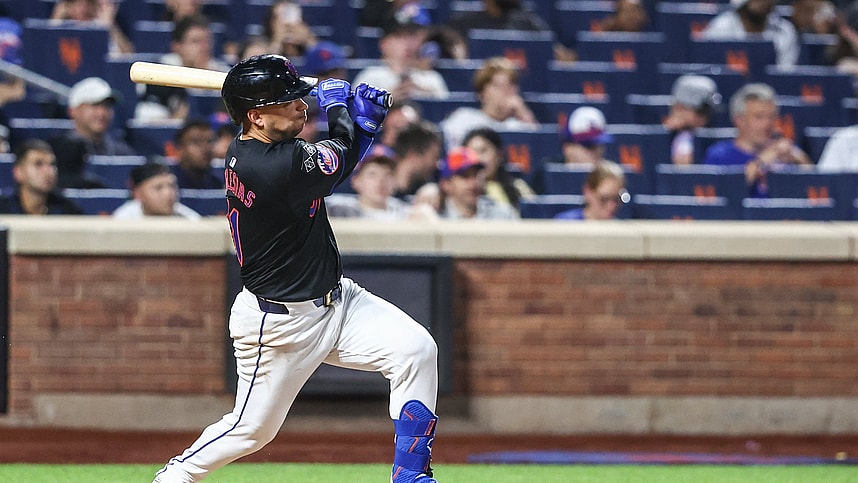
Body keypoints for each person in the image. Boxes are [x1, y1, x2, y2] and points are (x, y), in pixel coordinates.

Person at [152, 54, 440, 483]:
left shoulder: (272, 151)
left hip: (336, 302)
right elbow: (336, 159)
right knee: (251, 430)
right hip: (279, 324)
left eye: (299, 97)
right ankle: (174, 477)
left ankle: (411, 476)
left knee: (416, 351)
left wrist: (361, 125)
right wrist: (344, 112)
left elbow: (334, 166)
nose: (300, 105)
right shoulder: (263, 164)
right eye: (286, 102)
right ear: (256, 117)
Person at [702, 83, 811, 197]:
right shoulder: (719, 155)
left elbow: (816, 188)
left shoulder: (785, 152)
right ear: (739, 120)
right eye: (759, 117)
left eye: (772, 116)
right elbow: (719, 197)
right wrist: (760, 163)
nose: (767, 124)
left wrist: (799, 158)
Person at [135, 14, 231, 123]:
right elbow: (147, 124)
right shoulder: (160, 75)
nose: (204, 47)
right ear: (177, 46)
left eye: (207, 41)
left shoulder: (223, 75)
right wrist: (176, 120)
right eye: (196, 41)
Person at [50, 77, 136, 189]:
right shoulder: (55, 152)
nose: (102, 113)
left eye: (107, 106)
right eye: (94, 105)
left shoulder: (124, 153)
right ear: (73, 110)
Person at [440, 56, 538, 151]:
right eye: (499, 85)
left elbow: (539, 148)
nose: (506, 91)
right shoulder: (463, 118)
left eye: (511, 85)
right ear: (481, 93)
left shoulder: (518, 126)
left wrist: (524, 113)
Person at [352, 15, 450, 101]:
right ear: (383, 44)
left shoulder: (431, 78)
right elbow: (355, 113)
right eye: (399, 36)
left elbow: (447, 114)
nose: (407, 43)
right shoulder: (370, 77)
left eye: (412, 36)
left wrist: (425, 97)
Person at [327, 144, 437, 220]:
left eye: (387, 174)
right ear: (357, 181)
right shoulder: (337, 209)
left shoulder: (405, 213)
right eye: (372, 174)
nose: (380, 181)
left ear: (395, 181)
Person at [700, 0, 800, 68]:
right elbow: (709, 66)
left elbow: (785, 72)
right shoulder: (720, 28)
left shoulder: (784, 30)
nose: (764, 2)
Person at [0, 139, 83, 215]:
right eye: (38, 164)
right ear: (18, 172)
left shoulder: (68, 211)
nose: (49, 171)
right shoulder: (3, 208)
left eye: (52, 164)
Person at [462, 127, 534, 211]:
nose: (479, 159)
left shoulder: (518, 187)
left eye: (483, 151)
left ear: (499, 154)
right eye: (472, 153)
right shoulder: (461, 191)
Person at [437, 146, 518, 220]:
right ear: (446, 184)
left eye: (476, 175)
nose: (473, 183)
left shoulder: (503, 215)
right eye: (465, 176)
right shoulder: (435, 217)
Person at [662, 75, 722, 165]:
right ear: (678, 107)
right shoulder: (665, 135)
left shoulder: (714, 139)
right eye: (700, 111)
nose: (704, 117)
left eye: (708, 112)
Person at [112, 160, 201, 219]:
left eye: (172, 186)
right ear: (138, 194)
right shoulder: (123, 219)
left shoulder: (188, 218)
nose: (168, 193)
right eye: (158, 188)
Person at [50, 0, 135, 54]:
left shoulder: (100, 25)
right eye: (75, 3)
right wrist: (56, 19)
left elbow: (127, 54)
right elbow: (48, 51)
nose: (82, 9)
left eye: (87, 3)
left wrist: (109, 26)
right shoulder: (62, 26)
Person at [554, 160, 629, 220]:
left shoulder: (621, 230)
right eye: (604, 199)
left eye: (616, 199)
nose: (612, 206)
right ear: (588, 192)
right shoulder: (565, 224)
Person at [391, 120, 443, 198]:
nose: (437, 164)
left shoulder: (426, 193)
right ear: (413, 155)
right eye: (434, 157)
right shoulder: (380, 194)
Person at [170, 119, 223, 189]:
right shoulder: (170, 185)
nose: (206, 148)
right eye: (196, 142)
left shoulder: (217, 185)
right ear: (180, 148)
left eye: (209, 141)